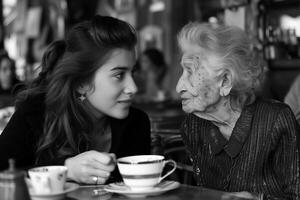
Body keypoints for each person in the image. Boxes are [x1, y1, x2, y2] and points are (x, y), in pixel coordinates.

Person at [0, 15, 151, 185]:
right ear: (81, 83)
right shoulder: (36, 113)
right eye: (119, 75)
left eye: (133, 72)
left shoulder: (137, 123)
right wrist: (66, 169)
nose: (133, 87)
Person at [176, 22, 300, 200]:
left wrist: (259, 198)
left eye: (190, 71)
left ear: (225, 81)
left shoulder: (276, 120)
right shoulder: (193, 126)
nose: (178, 86)